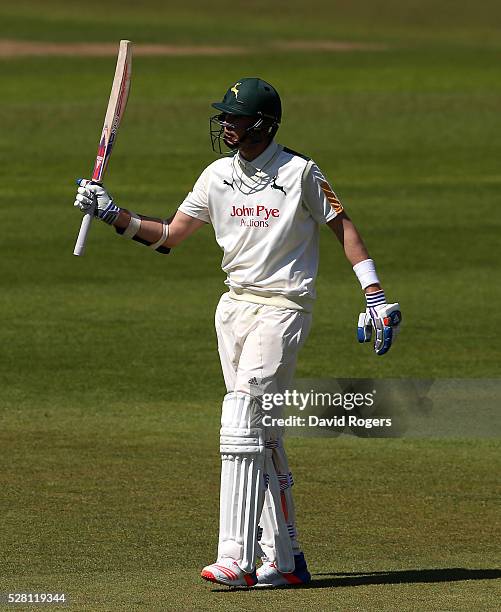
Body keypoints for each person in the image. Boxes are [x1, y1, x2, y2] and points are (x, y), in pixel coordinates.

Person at [73, 77, 401, 588]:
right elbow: (169, 237)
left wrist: (375, 295)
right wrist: (113, 214)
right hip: (234, 309)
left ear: (263, 124)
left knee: (241, 414)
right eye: (224, 116)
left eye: (236, 117)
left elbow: (344, 228)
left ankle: (236, 558)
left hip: (284, 306)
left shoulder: (301, 173)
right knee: (260, 433)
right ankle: (287, 561)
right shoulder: (217, 176)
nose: (226, 124)